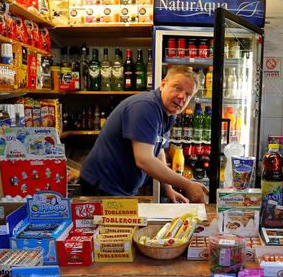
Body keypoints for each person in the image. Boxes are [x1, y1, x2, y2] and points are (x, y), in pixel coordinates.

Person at [80, 66, 208, 203]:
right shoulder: (146, 107)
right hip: (102, 186)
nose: (182, 96)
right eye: (177, 87)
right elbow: (144, 159)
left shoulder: (169, 114)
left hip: (121, 188)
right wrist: (187, 185)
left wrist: (169, 189)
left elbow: (158, 152)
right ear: (163, 84)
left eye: (188, 94)